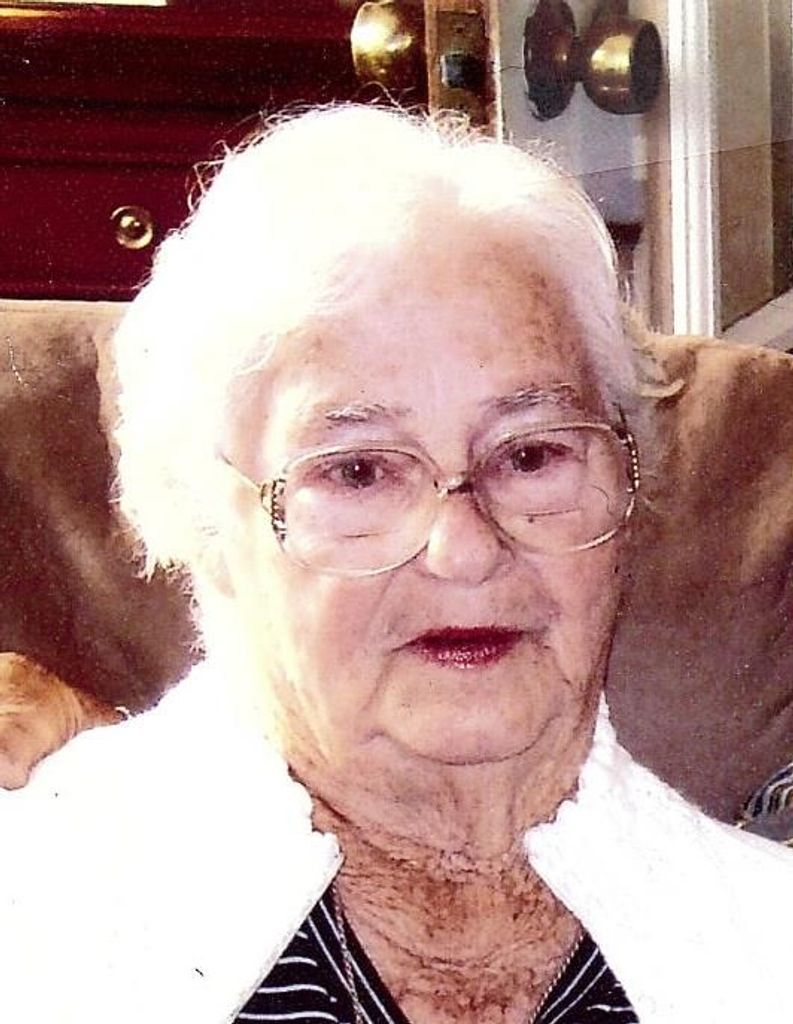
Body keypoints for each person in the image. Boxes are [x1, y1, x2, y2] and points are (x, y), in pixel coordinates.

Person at [1, 104, 791, 1024]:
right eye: (359, 472)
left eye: (531, 455)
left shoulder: (765, 942)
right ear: (202, 515)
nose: (465, 551)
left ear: (627, 483)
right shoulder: (39, 919)